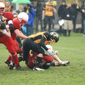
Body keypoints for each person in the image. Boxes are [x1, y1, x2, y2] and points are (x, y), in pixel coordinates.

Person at [0, 2, 23, 70]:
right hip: (4, 32)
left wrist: (5, 27)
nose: (1, 10)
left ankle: (17, 65)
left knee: (13, 51)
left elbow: (11, 26)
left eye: (2, 9)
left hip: (4, 36)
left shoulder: (8, 15)